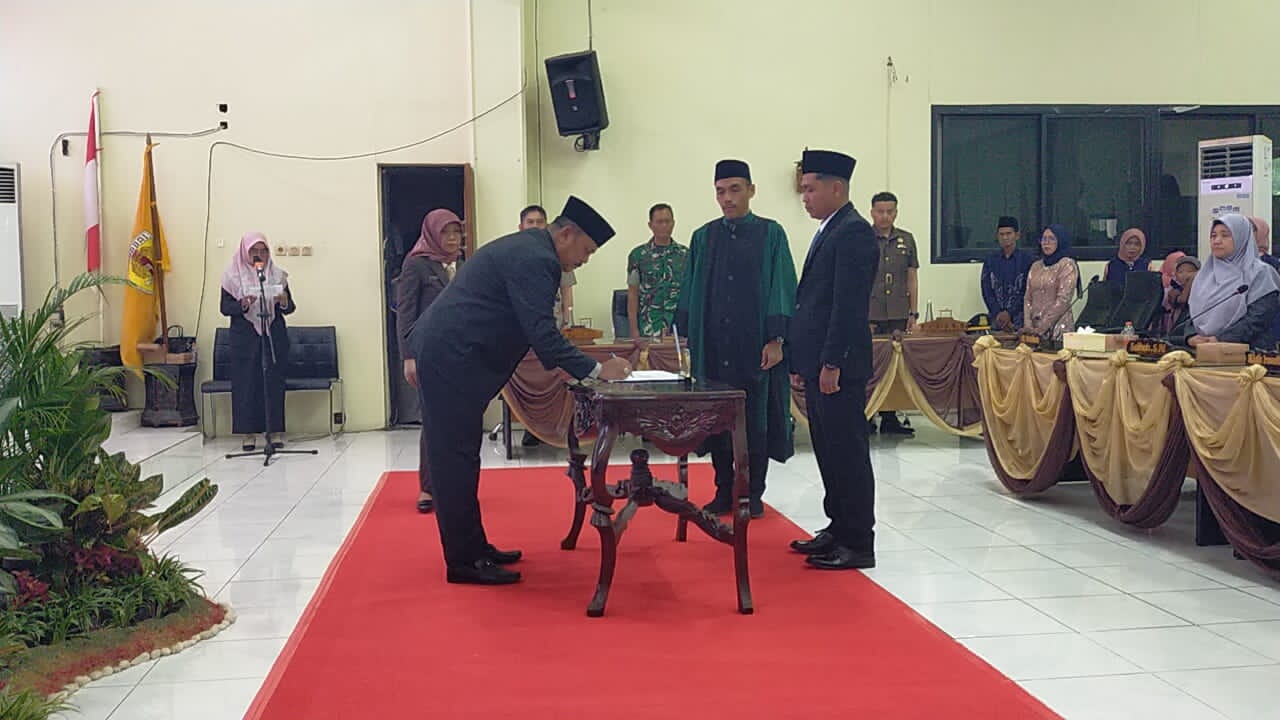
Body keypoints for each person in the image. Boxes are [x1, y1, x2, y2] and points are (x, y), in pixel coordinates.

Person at [410, 196, 631, 585]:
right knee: (453, 460)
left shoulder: (532, 249)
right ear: (567, 234)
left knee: (463, 457)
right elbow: (543, 335)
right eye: (587, 251)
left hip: (455, 355)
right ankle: (463, 562)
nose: (584, 260)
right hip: (451, 357)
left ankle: (475, 548)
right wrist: (598, 370)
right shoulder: (537, 258)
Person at [674, 159, 797, 519]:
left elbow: (782, 287)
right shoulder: (703, 237)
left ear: (751, 190)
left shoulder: (771, 234)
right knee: (716, 422)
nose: (727, 198)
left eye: (734, 190)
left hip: (754, 348)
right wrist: (687, 336)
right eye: (720, 191)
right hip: (713, 348)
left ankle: (752, 493)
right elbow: (690, 289)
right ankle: (723, 490)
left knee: (754, 421)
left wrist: (776, 339)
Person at [787, 149, 878, 571]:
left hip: (838, 366)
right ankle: (838, 526)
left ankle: (858, 541)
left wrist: (831, 363)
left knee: (847, 452)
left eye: (810, 189)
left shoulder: (854, 232)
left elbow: (847, 306)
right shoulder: (831, 228)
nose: (804, 197)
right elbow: (813, 303)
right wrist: (802, 361)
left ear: (836, 187)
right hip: (818, 362)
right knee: (828, 449)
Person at [396, 208, 464, 514]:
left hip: (461, 354)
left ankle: (454, 485)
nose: (452, 238)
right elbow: (405, 313)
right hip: (430, 354)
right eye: (445, 232)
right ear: (433, 234)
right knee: (434, 420)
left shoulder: (464, 263)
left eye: (456, 232)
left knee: (460, 421)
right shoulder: (416, 264)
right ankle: (427, 487)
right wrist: (408, 356)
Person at [219, 232, 295, 451]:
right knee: (247, 384)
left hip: (273, 336)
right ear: (245, 252)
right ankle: (248, 434)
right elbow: (225, 308)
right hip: (245, 338)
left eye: (263, 251)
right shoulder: (231, 277)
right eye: (254, 251)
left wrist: (283, 301)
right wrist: (242, 304)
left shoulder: (277, 275)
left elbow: (290, 307)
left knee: (273, 383)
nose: (259, 255)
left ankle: (275, 432)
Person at [1179, 214, 1280, 350]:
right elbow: (1192, 313)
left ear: (1241, 238)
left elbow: (1258, 319)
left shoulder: (1261, 273)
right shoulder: (1205, 275)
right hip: (1203, 351)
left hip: (1249, 354)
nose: (1217, 241)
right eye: (1213, 236)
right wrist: (1190, 337)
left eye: (1225, 235)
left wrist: (1221, 339)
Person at [517, 204, 572, 448]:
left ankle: (554, 427)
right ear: (521, 227)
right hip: (524, 329)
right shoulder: (515, 254)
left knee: (555, 378)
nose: (536, 226)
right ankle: (530, 427)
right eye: (531, 222)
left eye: (540, 222)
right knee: (531, 376)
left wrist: (568, 319)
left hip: (552, 323)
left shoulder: (558, 254)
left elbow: (566, 290)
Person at [867, 191, 916, 435]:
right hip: (870, 313)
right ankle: (866, 415)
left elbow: (912, 278)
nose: (885, 216)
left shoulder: (906, 239)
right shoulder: (863, 238)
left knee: (896, 367)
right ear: (872, 212)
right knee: (869, 366)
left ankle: (890, 417)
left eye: (890, 211)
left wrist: (913, 313)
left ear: (896, 213)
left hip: (898, 312)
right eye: (880, 211)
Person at [626, 203, 688, 338]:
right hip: (649, 326)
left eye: (667, 221)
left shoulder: (685, 255)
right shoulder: (638, 256)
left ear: (673, 223)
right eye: (659, 222)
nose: (664, 226)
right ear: (650, 225)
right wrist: (634, 331)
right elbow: (633, 294)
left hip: (679, 328)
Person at [1023, 224, 1081, 340]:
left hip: (1058, 330)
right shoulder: (1036, 266)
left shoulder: (1067, 265)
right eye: (1044, 239)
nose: (1046, 242)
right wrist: (1028, 326)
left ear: (1060, 241)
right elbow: (1028, 298)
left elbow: (1063, 300)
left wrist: (1042, 328)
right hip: (1034, 330)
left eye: (1051, 239)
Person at [979, 216, 1034, 332]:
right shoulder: (990, 261)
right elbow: (986, 291)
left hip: (1020, 320)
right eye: (1001, 234)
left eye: (1008, 233)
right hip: (996, 320)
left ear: (1017, 235)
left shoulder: (1027, 260)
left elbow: (1027, 291)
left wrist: (1009, 313)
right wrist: (998, 314)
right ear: (997, 236)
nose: (1005, 237)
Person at [1156, 255, 1199, 336]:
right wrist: (1190, 283)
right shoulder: (1173, 290)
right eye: (1180, 272)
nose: (1185, 275)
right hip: (1176, 331)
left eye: (1190, 271)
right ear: (1175, 274)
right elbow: (1182, 300)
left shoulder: (1202, 289)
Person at [1103, 227, 1150, 301]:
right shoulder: (1111, 265)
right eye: (1129, 243)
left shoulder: (1147, 265)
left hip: (1141, 306)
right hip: (1116, 306)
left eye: (1137, 244)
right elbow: (1105, 292)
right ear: (1122, 244)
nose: (1132, 247)